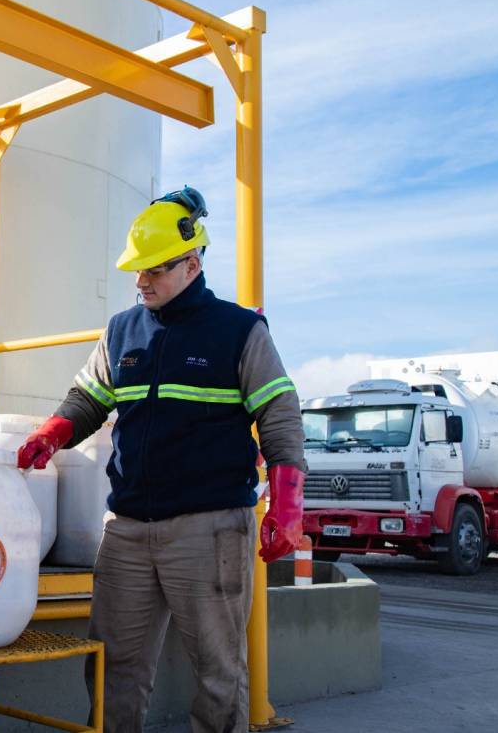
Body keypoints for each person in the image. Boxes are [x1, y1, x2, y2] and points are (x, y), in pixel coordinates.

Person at [16, 187, 304, 732]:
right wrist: (53, 432)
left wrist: (288, 501)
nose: (142, 281)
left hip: (210, 527)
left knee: (218, 672)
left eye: (155, 269)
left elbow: (280, 414)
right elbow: (89, 399)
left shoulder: (240, 331)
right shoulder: (122, 329)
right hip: (126, 529)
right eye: (137, 270)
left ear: (192, 264)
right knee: (112, 668)